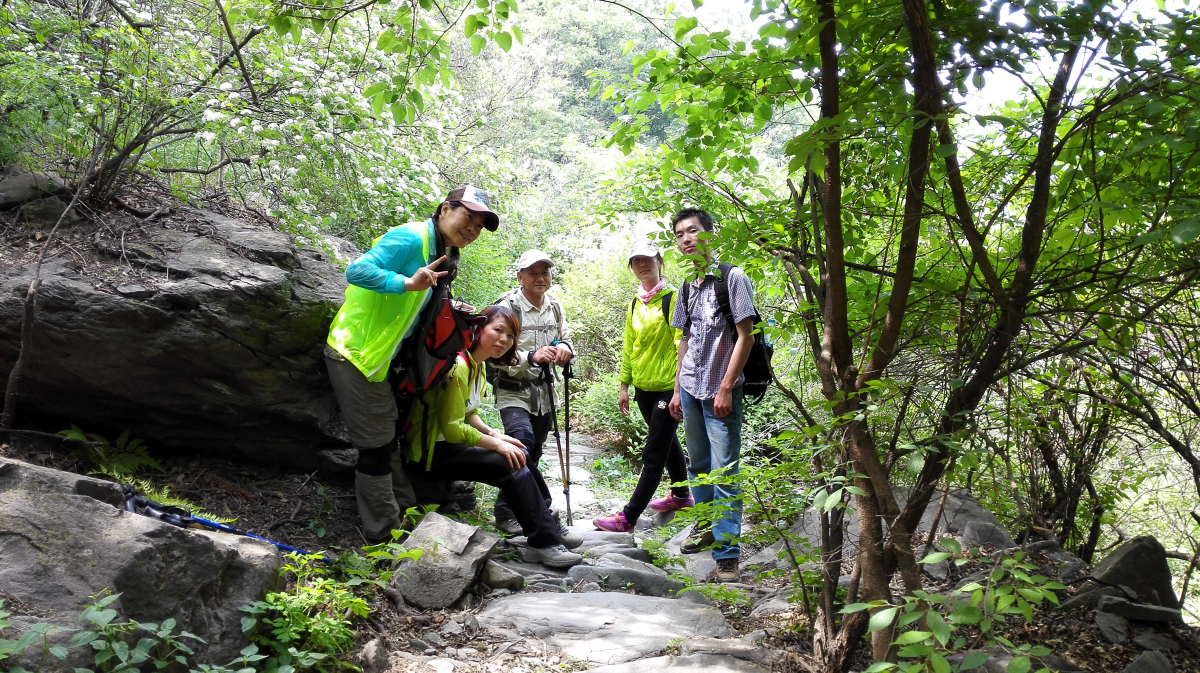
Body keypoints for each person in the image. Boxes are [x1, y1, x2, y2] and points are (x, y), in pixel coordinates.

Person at [325, 185, 498, 544]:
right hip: (355, 352)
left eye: (480, 226)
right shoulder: (410, 237)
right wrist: (405, 283)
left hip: (380, 361)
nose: (472, 229)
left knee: (388, 439)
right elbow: (357, 270)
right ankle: (384, 536)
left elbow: (417, 307)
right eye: (468, 217)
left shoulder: (442, 252)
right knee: (376, 447)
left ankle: (405, 510)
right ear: (445, 208)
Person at [404, 305, 583, 567]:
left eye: (510, 335)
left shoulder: (477, 365)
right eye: (498, 330)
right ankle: (543, 542)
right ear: (478, 328)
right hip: (430, 452)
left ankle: (547, 524)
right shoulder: (458, 366)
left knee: (519, 451)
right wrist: (497, 445)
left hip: (447, 446)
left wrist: (494, 433)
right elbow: (452, 428)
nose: (504, 340)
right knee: (509, 462)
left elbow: (470, 413)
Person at [668, 208, 757, 583]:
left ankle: (727, 554)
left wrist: (726, 387)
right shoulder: (687, 286)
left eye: (693, 231)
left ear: (710, 234)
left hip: (722, 392)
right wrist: (676, 389)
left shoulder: (732, 278)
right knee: (699, 465)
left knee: (725, 473)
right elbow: (684, 339)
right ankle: (705, 527)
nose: (686, 239)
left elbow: (746, 336)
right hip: (691, 388)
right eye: (679, 234)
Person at [592, 240, 692, 532]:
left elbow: (683, 345)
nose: (642, 264)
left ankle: (628, 517)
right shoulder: (635, 303)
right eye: (636, 260)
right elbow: (629, 346)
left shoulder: (673, 298)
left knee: (653, 453)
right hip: (643, 389)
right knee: (666, 441)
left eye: (647, 259)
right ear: (631, 267)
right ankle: (681, 495)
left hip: (668, 387)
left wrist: (678, 391)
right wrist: (624, 386)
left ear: (660, 262)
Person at [489, 250, 579, 544]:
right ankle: (515, 512)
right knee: (521, 442)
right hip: (512, 389)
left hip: (545, 392)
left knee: (535, 452)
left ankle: (516, 509)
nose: (540, 278)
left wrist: (564, 348)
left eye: (545, 272)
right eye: (532, 273)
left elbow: (565, 337)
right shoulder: (507, 307)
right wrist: (531, 356)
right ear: (520, 277)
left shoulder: (554, 307)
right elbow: (493, 351)